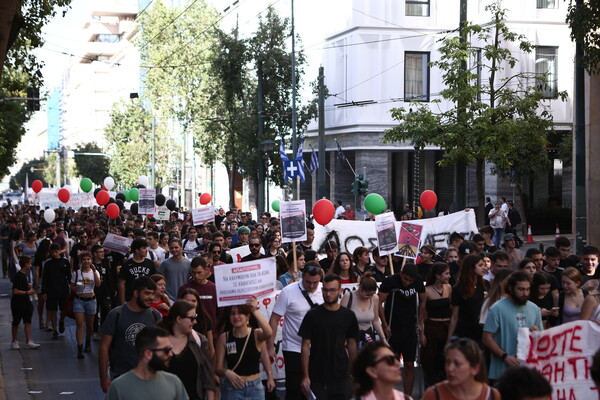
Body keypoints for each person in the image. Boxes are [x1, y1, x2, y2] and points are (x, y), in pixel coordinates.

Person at [268, 265, 323, 400]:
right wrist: (270, 346)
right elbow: (274, 319)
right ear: (302, 277)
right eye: (308, 282)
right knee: (295, 389)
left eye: (315, 282)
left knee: (317, 387)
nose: (311, 286)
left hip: (319, 348)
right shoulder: (288, 292)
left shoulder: (325, 289)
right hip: (294, 348)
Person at [299, 274, 359, 400]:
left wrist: (354, 371)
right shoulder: (312, 315)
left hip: (342, 375)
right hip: (318, 376)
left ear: (340, 291)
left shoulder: (348, 316)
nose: (328, 294)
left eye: (332, 290)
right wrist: (305, 375)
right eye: (325, 290)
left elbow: (352, 344)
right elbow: (305, 347)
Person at [99, 276, 162, 393]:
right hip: (121, 377)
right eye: (147, 293)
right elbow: (104, 347)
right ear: (136, 293)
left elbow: (161, 347)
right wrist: (103, 378)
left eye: (153, 294)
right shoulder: (116, 315)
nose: (151, 298)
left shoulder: (155, 316)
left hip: (148, 378)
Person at [483, 271, 543, 381]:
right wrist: (504, 356)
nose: (525, 293)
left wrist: (537, 332)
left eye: (527, 289)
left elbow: (541, 338)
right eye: (521, 289)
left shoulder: (534, 308)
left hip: (527, 372)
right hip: (502, 372)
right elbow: (487, 338)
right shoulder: (497, 308)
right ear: (510, 288)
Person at [105, 326, 189, 400]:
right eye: (166, 350)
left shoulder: (174, 382)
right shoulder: (118, 387)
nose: (171, 354)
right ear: (148, 354)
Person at [379, 263, 425, 397]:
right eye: (405, 279)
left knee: (410, 364)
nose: (407, 283)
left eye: (410, 281)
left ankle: (407, 396)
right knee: (391, 364)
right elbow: (378, 302)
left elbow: (423, 300)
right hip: (393, 328)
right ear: (401, 273)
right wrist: (384, 324)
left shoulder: (418, 281)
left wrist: (421, 321)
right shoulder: (390, 281)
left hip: (410, 328)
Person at [215, 297, 273, 400]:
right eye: (233, 313)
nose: (236, 316)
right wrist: (227, 372)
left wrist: (254, 310)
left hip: (255, 388)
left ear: (247, 316)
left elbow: (269, 333)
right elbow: (217, 368)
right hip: (233, 388)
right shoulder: (224, 338)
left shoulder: (256, 334)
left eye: (240, 313)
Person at [160, 301, 216, 400]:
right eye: (192, 318)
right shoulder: (158, 340)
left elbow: (208, 377)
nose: (195, 322)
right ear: (179, 319)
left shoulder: (199, 341)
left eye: (196, 317)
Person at [421, 338, 500, 400]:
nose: (450, 368)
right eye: (448, 362)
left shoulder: (491, 395)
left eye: (457, 364)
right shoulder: (434, 394)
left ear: (475, 369)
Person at [419, 262, 452, 387]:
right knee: (430, 361)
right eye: (446, 274)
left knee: (445, 359)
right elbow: (422, 313)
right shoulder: (426, 291)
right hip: (432, 328)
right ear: (438, 275)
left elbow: (452, 309)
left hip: (446, 327)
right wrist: (421, 332)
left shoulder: (449, 288)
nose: (449, 276)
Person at [341, 272, 387, 348]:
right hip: (350, 336)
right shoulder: (348, 296)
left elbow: (375, 320)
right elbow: (340, 319)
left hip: (367, 335)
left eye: (371, 295)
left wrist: (383, 338)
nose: (368, 297)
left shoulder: (375, 298)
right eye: (366, 294)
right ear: (360, 288)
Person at [448, 254, 487, 343]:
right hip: (466, 332)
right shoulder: (459, 288)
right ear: (471, 267)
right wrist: (449, 339)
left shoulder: (485, 285)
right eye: (480, 265)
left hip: (482, 330)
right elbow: (454, 316)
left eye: (484, 265)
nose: (484, 268)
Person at [71, 251, 101, 359]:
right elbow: (72, 286)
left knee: (90, 325)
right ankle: (80, 347)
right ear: (81, 261)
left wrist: (94, 271)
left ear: (91, 260)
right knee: (80, 324)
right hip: (79, 299)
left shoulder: (95, 272)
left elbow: (98, 284)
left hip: (91, 300)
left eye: (88, 259)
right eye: (84, 259)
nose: (86, 261)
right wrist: (76, 288)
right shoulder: (77, 273)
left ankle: (88, 343)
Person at [41, 243, 72, 338]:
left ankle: (61, 321)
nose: (54, 254)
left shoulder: (65, 262)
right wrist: (44, 291)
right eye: (52, 252)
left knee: (63, 310)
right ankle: (55, 330)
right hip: (51, 290)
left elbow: (69, 276)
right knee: (52, 310)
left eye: (56, 251)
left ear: (59, 251)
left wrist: (72, 286)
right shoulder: (48, 263)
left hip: (63, 289)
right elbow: (45, 278)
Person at [177, 257, 218, 326]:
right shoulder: (184, 289)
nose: (196, 276)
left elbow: (220, 312)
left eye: (199, 273)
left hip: (211, 331)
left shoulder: (214, 288)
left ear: (206, 270)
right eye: (193, 272)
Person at [11, 256, 40, 349]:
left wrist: (27, 286)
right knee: (16, 321)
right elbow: (15, 291)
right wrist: (28, 292)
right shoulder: (18, 275)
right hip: (18, 303)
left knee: (28, 321)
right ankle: (14, 341)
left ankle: (28, 340)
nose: (31, 265)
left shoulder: (24, 275)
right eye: (30, 263)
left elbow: (20, 288)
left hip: (26, 302)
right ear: (26, 264)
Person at [178, 288, 215, 357]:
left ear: (198, 303)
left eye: (193, 301)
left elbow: (211, 347)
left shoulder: (206, 319)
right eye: (187, 301)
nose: (190, 303)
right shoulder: (176, 319)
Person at [118, 238, 157, 304]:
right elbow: (122, 283)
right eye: (144, 248)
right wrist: (122, 302)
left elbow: (154, 281)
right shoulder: (127, 264)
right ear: (137, 250)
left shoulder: (150, 263)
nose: (146, 250)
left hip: (146, 298)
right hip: (130, 299)